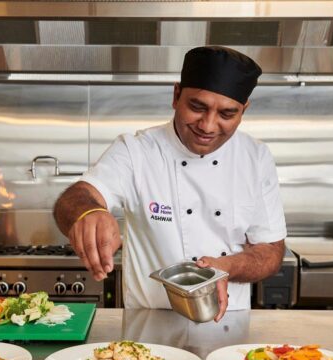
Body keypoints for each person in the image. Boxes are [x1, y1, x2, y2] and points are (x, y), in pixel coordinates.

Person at [54, 46, 287, 321]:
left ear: (244, 110)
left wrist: (225, 267)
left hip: (227, 322)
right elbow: (77, 196)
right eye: (198, 107)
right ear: (176, 96)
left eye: (227, 114)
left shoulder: (255, 157)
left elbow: (271, 250)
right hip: (147, 325)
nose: (208, 126)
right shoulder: (136, 150)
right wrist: (89, 212)